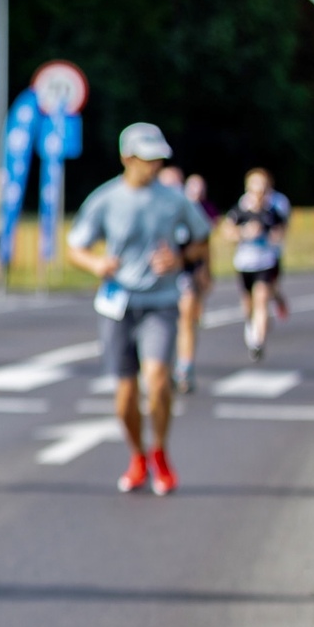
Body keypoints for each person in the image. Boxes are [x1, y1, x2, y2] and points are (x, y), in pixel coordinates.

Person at [67, 123, 210, 497]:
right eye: (147, 159)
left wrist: (180, 259)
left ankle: (159, 452)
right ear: (127, 158)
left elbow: (202, 240)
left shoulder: (174, 200)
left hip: (160, 303)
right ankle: (137, 455)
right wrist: (96, 264)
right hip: (118, 305)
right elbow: (75, 247)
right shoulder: (105, 200)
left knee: (159, 379)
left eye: (158, 159)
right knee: (125, 395)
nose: (155, 165)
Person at [222, 168, 288, 362]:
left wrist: (271, 236)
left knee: (262, 299)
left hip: (265, 261)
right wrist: (245, 233)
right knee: (248, 303)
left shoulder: (272, 210)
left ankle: (258, 342)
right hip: (245, 263)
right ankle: (251, 325)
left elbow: (281, 231)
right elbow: (227, 232)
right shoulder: (241, 209)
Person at [158, 166, 213, 394]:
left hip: (185, 271)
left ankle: (185, 368)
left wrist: (205, 269)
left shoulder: (187, 208)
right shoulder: (150, 208)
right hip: (157, 275)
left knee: (186, 320)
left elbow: (203, 241)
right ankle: (163, 366)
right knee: (161, 324)